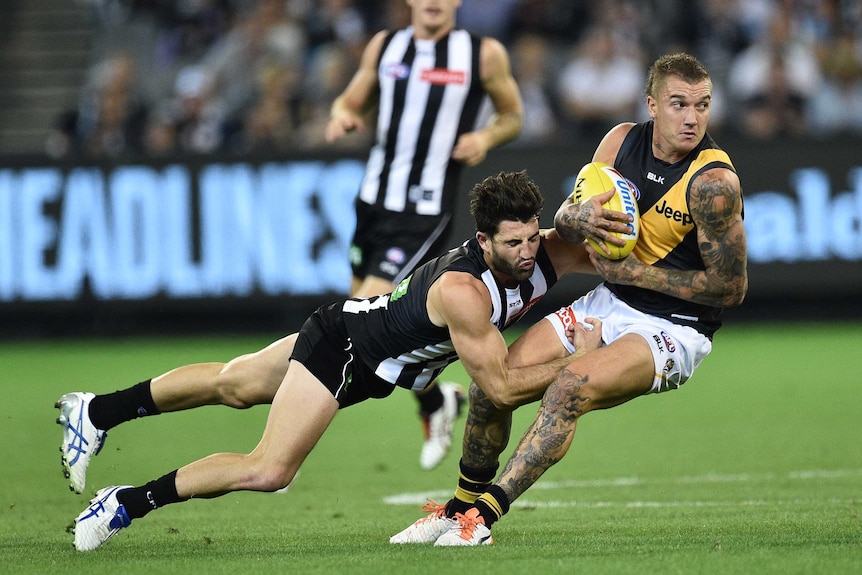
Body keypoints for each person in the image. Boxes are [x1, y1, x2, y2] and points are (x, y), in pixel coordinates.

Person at [65, 170, 602, 552]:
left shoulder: (542, 249)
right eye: (513, 243)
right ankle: (126, 502)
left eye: (533, 236)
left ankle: (96, 412)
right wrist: (580, 364)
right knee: (270, 469)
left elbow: (611, 255)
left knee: (235, 383)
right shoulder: (465, 291)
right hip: (345, 352)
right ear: (484, 240)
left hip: (349, 323)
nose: (528, 251)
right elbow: (502, 389)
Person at [390, 52, 748, 546]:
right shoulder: (620, 142)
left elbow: (732, 288)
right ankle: (458, 508)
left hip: (674, 328)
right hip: (608, 301)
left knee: (568, 389)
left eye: (702, 105)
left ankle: (484, 519)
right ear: (652, 105)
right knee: (492, 388)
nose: (692, 117)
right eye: (679, 104)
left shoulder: (713, 184)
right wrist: (572, 220)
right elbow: (573, 209)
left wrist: (636, 273)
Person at [324, 0, 524, 469]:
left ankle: (290, 436)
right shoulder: (386, 45)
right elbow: (349, 100)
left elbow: (513, 115)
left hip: (423, 209)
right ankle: (437, 403)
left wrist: (485, 138)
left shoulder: (482, 54)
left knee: (353, 327)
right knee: (377, 327)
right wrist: (342, 115)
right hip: (372, 202)